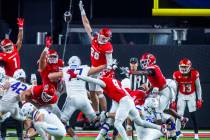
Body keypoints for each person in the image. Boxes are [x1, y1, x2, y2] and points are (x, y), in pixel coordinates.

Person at [68, 69, 168, 140]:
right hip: (128, 100)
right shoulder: (116, 81)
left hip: (124, 101)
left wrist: (77, 76)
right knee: (140, 122)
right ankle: (160, 127)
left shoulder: (105, 80)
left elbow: (92, 80)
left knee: (117, 123)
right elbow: (123, 92)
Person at [48, 56, 105, 140]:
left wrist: (59, 73)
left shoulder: (65, 69)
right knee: (96, 121)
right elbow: (97, 69)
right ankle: (107, 136)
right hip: (84, 100)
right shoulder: (84, 68)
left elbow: (50, 76)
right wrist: (105, 65)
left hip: (72, 99)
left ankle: (75, 138)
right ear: (79, 62)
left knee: (60, 121)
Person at [79, 0, 113, 113]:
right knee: (92, 92)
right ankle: (97, 114)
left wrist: (101, 71)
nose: (104, 40)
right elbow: (86, 24)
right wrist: (82, 11)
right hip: (93, 68)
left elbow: (109, 64)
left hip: (100, 70)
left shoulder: (107, 47)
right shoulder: (94, 38)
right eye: (103, 38)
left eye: (106, 39)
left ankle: (105, 114)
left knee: (99, 92)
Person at [172, 58, 202, 140]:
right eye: (182, 67)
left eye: (185, 67)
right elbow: (175, 88)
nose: (183, 69)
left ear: (189, 67)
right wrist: (173, 100)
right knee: (179, 115)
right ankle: (177, 133)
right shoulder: (177, 74)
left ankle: (196, 134)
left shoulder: (194, 73)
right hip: (181, 95)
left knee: (193, 115)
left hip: (191, 95)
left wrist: (199, 99)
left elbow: (198, 87)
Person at [0, 68, 29, 140]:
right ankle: (24, 135)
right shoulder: (26, 86)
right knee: (23, 118)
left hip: (7, 104)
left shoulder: (10, 80)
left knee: (4, 118)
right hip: (14, 106)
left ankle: (3, 135)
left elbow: (4, 87)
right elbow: (21, 98)